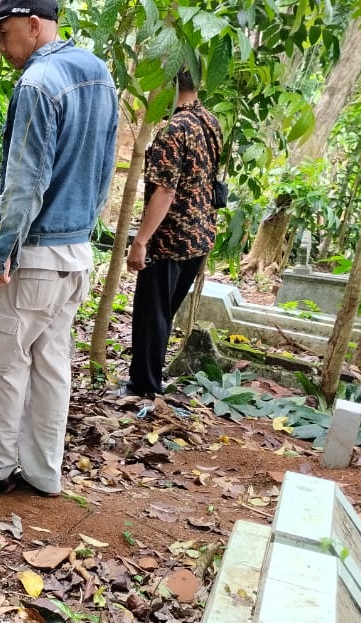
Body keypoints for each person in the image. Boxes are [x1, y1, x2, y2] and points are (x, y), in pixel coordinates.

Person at [0, 0, 118, 497]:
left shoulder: (37, 83)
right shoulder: (99, 73)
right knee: (51, 367)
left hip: (34, 256)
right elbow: (105, 168)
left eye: (4, 34)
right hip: (75, 256)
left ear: (33, 25)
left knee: (0, 362)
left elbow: (24, 183)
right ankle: (44, 474)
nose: (1, 47)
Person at [125, 70, 223, 398]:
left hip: (169, 239)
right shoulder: (210, 121)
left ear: (167, 85)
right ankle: (149, 383)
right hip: (199, 235)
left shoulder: (174, 129)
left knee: (151, 316)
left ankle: (145, 389)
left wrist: (141, 241)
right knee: (163, 314)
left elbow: (165, 190)